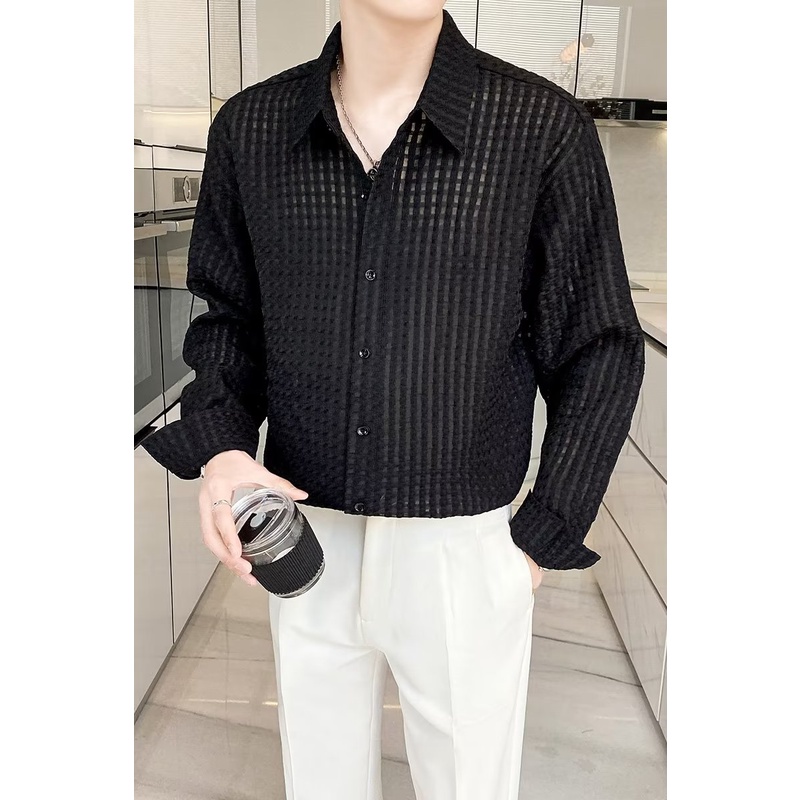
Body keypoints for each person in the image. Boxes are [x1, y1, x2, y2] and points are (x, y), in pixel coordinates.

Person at [142, 2, 645, 798]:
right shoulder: (253, 128)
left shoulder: (539, 127)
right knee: (321, 778)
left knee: (468, 782)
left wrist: (537, 538)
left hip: (463, 546)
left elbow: (599, 345)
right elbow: (230, 320)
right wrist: (225, 449)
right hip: (301, 534)